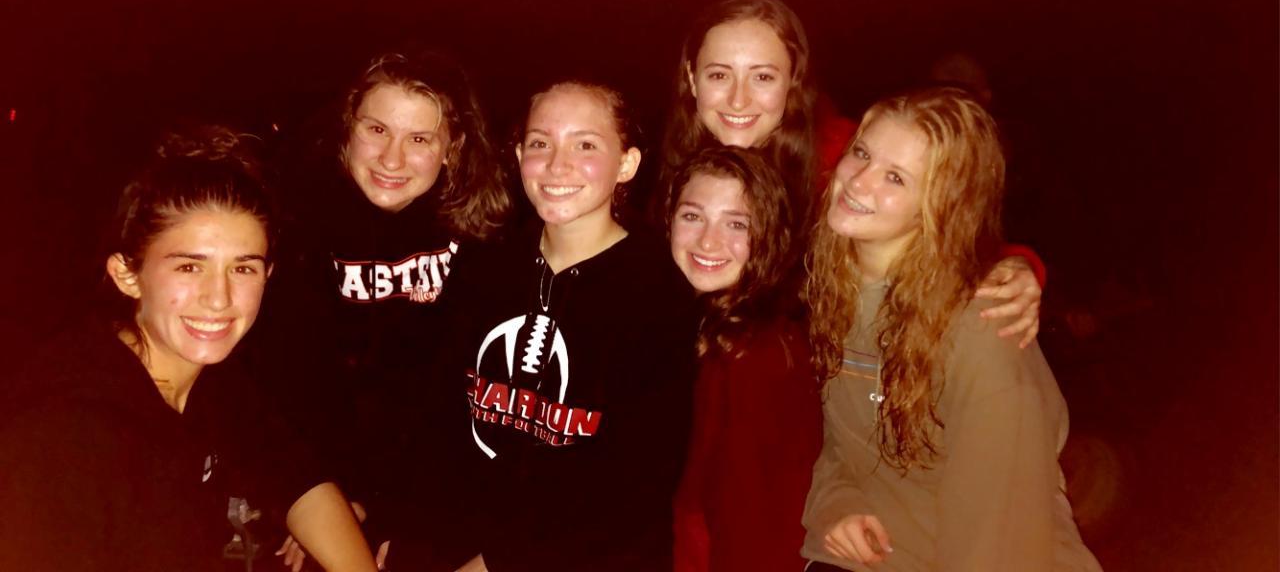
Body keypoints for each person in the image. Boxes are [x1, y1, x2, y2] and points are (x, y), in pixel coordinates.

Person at [0, 127, 378, 572]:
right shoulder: (65, 435)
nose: (219, 299)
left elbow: (293, 474)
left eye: (242, 269)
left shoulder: (208, 377)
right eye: (188, 267)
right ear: (128, 275)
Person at [393, 81, 700, 572]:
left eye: (585, 145)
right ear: (518, 157)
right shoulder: (485, 265)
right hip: (456, 546)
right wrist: (405, 531)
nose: (557, 165)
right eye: (540, 143)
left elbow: (636, 483)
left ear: (627, 164)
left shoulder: (659, 296)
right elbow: (439, 423)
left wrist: (498, 563)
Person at [800, 89, 1101, 571]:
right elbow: (839, 439)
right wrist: (834, 502)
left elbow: (1001, 534)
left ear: (939, 206)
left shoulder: (983, 331)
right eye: (862, 153)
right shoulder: (834, 293)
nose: (858, 181)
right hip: (884, 554)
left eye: (895, 177)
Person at [243, 48, 511, 549]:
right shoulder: (291, 222)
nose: (392, 158)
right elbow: (287, 378)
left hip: (434, 490)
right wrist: (327, 499)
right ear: (348, 128)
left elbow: (458, 390)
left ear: (452, 149)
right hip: (315, 480)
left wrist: (392, 507)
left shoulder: (487, 238)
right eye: (377, 129)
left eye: (419, 139)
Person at [661, 0, 1045, 343]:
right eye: (719, 75)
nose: (738, 100)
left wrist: (1018, 265)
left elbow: (953, 214)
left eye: (762, 77)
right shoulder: (674, 162)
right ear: (693, 79)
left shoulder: (847, 156)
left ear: (793, 81)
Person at [666, 147, 822, 572]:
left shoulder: (758, 352)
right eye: (692, 216)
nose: (708, 241)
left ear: (769, 235)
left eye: (737, 224)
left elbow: (757, 520)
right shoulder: (694, 324)